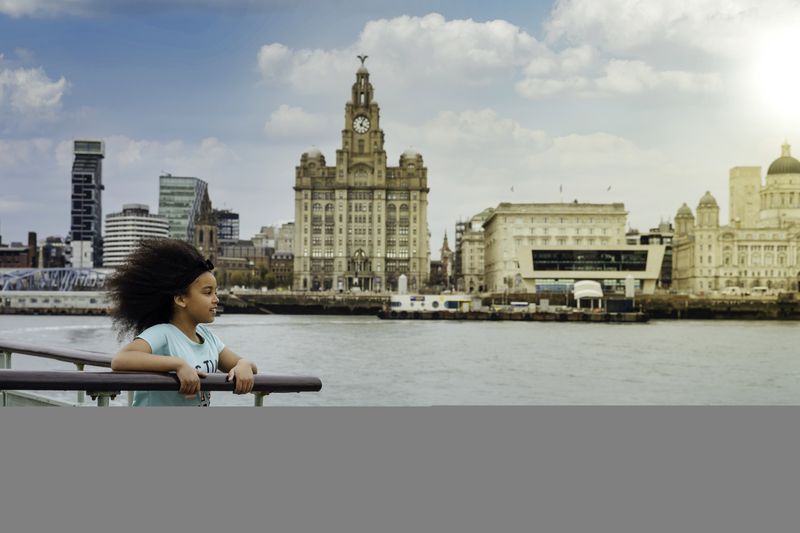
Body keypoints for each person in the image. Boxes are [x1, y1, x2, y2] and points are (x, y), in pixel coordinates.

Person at [108, 239, 257, 406]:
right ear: (180, 299)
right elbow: (121, 360)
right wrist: (178, 364)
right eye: (208, 292)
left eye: (216, 292)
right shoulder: (162, 333)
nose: (216, 299)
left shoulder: (208, 337)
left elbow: (245, 364)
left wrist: (244, 365)